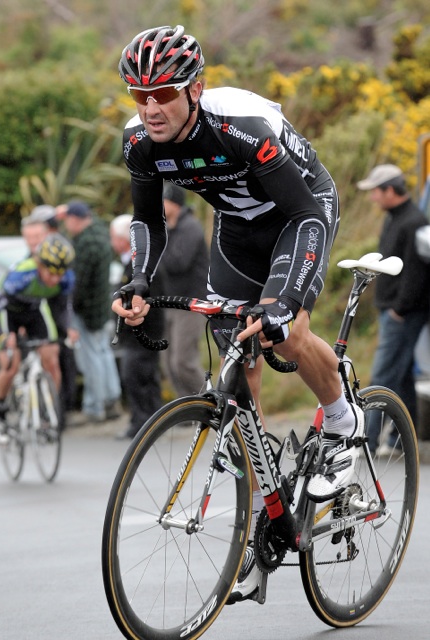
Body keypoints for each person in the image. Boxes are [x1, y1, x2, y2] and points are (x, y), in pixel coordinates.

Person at [112, 25, 364, 603]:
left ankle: (343, 417)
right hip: (238, 232)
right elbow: (150, 220)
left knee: (284, 335)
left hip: (299, 214)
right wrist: (140, 280)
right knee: (236, 376)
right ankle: (265, 527)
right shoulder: (139, 144)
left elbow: (303, 214)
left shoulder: (241, 126)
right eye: (138, 95)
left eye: (164, 93)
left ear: (195, 89)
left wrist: (284, 301)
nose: (150, 107)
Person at [357, 164, 430, 453]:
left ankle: (367, 442)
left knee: (383, 375)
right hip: (396, 311)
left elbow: (417, 273)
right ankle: (400, 439)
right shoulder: (397, 218)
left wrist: (399, 309)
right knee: (399, 376)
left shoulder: (412, 222)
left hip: (404, 313)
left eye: (375, 191)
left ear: (390, 190)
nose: (373, 198)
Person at [0, 235, 77, 443]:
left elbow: (64, 307)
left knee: (52, 358)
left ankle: (48, 413)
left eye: (61, 272)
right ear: (40, 264)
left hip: (34, 311)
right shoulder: (22, 273)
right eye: (51, 272)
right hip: (6, 314)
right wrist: (5, 335)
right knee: (11, 364)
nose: (56, 278)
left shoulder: (65, 278)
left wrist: (68, 328)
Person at [59, 200, 122, 423]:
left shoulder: (85, 244)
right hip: (101, 307)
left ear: (75, 220)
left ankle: (95, 408)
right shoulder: (99, 233)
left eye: (67, 220)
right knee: (103, 353)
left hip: (87, 311)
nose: (66, 225)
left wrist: (70, 309)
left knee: (91, 357)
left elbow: (80, 283)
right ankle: (112, 399)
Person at [110, 214, 166, 438]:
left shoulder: (139, 266)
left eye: (113, 237)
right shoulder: (129, 262)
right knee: (145, 374)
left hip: (143, 328)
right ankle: (151, 422)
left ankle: (143, 423)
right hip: (141, 329)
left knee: (135, 375)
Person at [21, 207, 78, 416]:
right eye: (29, 237)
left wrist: (70, 325)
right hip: (36, 321)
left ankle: (59, 412)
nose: (33, 241)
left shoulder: (58, 255)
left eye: (37, 236)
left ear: (46, 234)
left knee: (60, 364)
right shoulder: (26, 263)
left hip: (58, 320)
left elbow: (68, 296)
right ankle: (38, 411)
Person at [159, 182, 209, 397]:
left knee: (183, 361)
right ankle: (188, 408)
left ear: (175, 203)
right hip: (170, 301)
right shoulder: (169, 228)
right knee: (167, 362)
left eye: (164, 201)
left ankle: (212, 405)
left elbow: (178, 263)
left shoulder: (190, 227)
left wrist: (159, 244)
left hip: (191, 303)